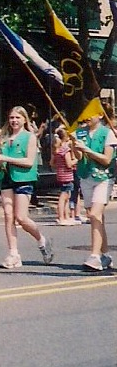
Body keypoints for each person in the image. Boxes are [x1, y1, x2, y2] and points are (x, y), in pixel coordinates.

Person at [0, 106, 54, 269]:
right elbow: (0, 161)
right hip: (6, 178)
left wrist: (6, 157)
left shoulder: (30, 137)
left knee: (21, 217)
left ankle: (42, 240)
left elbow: (28, 161)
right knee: (8, 215)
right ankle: (13, 253)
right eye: (11, 117)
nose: (14, 120)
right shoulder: (4, 138)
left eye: (17, 117)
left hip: (24, 178)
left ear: (24, 119)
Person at [70, 106, 115, 272]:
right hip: (86, 176)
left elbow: (106, 159)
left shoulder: (107, 133)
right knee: (97, 218)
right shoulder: (80, 132)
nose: (87, 117)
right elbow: (79, 157)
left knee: (94, 215)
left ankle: (94, 256)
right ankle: (105, 255)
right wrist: (75, 146)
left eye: (90, 114)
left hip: (103, 177)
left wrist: (88, 150)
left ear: (100, 115)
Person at [51, 125, 78, 226]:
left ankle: (66, 216)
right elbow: (69, 164)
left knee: (67, 196)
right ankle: (61, 217)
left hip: (60, 174)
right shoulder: (65, 150)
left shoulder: (56, 151)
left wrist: (59, 165)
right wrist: (76, 160)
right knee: (64, 197)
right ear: (65, 137)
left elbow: (52, 163)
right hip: (67, 175)